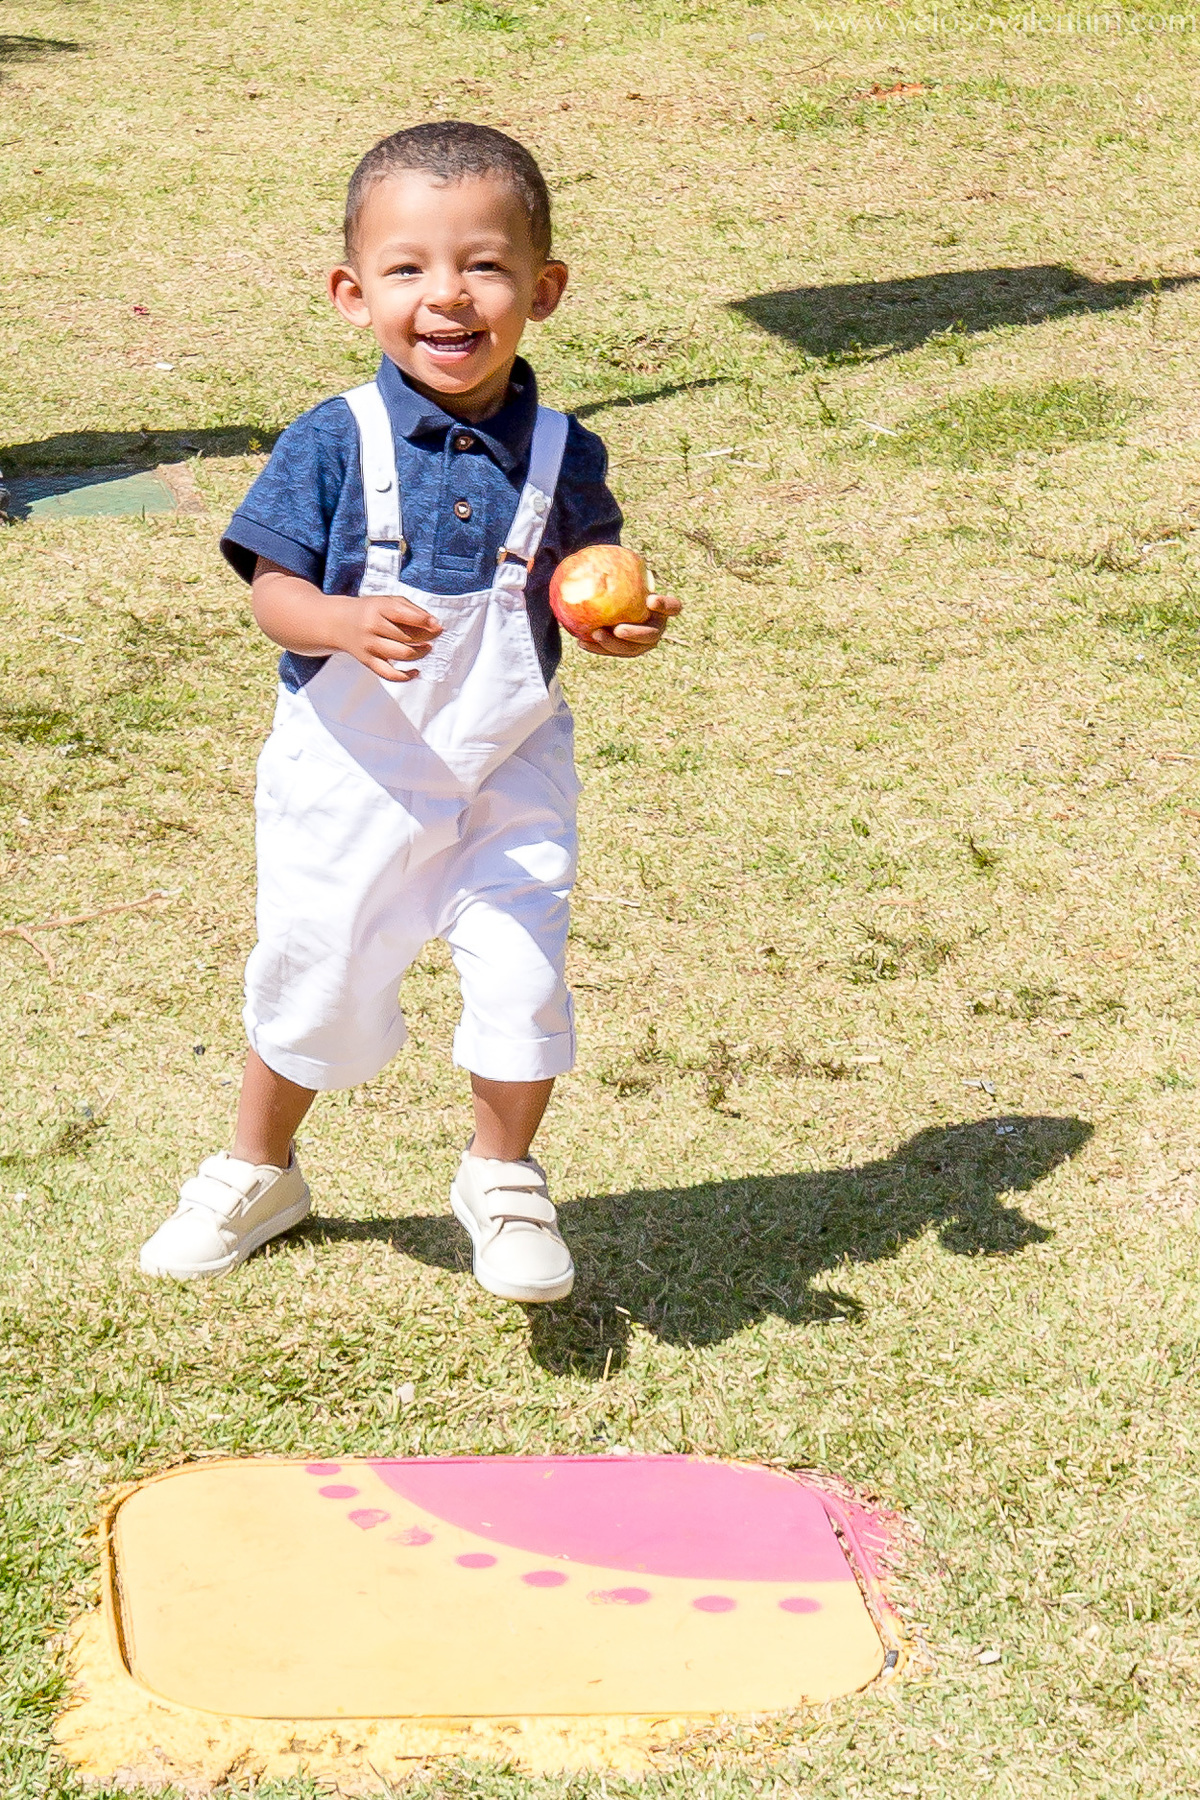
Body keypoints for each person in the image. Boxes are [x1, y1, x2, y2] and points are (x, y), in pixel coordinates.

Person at [139, 121, 680, 1303]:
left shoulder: (565, 452)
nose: (448, 295)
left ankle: (503, 1176)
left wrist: (615, 621)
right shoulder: (334, 439)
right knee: (315, 978)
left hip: (508, 768)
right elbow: (273, 593)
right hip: (352, 774)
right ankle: (258, 1169)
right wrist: (338, 621)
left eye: (485, 265)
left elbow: (582, 580)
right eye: (408, 268)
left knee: (525, 975)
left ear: (544, 288)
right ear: (353, 293)